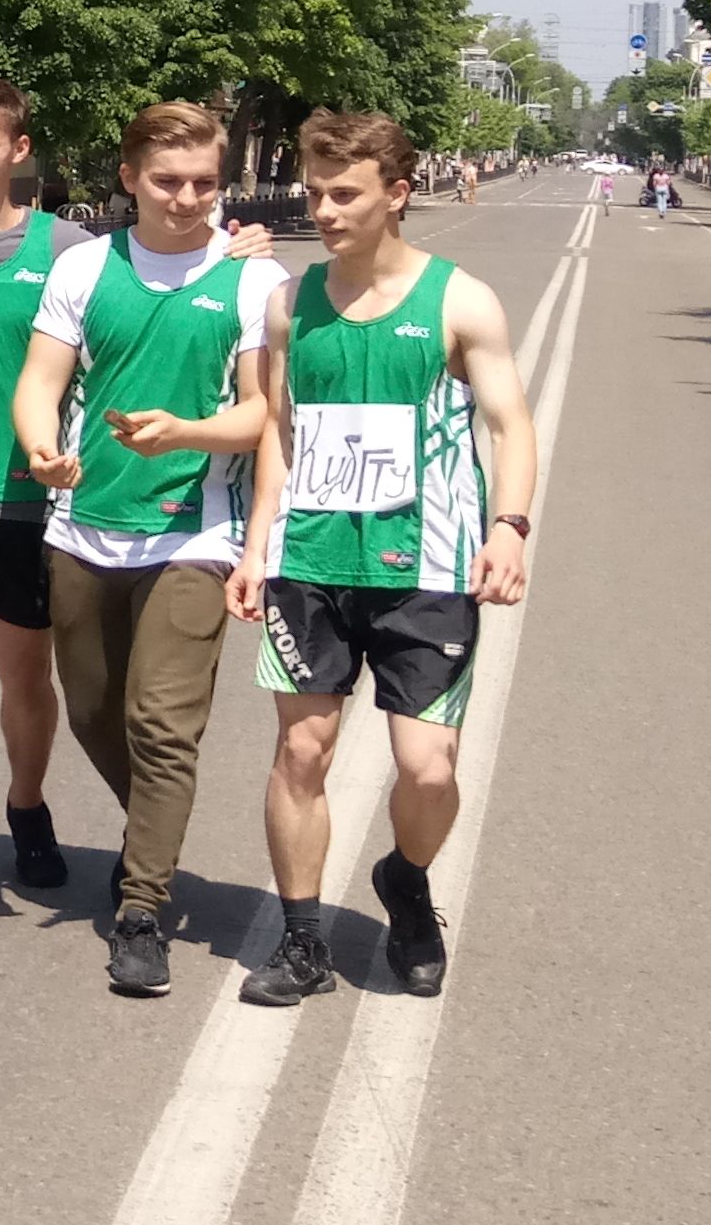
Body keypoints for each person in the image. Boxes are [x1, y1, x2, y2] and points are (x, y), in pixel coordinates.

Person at [0, 81, 280, 955]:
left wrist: (234, 244)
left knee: (32, 681)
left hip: (33, 506)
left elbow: (164, 259)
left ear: (18, 150)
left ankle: (28, 805)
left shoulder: (70, 249)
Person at [229, 111, 540, 1007]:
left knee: (427, 767)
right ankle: (302, 941)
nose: (323, 211)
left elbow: (510, 424)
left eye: (345, 194)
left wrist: (510, 526)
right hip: (312, 562)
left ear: (397, 194)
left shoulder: (460, 302)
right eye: (315, 193)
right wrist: (257, 543)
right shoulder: (289, 304)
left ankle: (405, 877)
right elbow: (281, 432)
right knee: (302, 751)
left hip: (429, 567)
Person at [8, 99, 278, 1000]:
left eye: (205, 182)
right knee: (94, 713)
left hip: (194, 534)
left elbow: (261, 414)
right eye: (167, 181)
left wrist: (188, 433)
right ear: (129, 179)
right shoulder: (85, 268)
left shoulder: (250, 282)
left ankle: (141, 909)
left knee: (161, 724)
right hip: (83, 529)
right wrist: (42, 448)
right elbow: (40, 381)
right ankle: (155, 829)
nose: (187, 198)